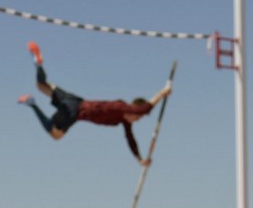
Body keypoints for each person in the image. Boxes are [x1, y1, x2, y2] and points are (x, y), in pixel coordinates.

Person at [17, 41, 171, 166]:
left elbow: (131, 139)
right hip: (74, 111)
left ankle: (38, 64)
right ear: (133, 110)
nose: (136, 120)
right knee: (56, 135)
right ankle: (32, 104)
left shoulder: (123, 119)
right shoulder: (120, 108)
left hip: (74, 100)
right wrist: (163, 93)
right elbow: (145, 108)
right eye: (137, 117)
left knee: (41, 86)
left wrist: (139, 159)